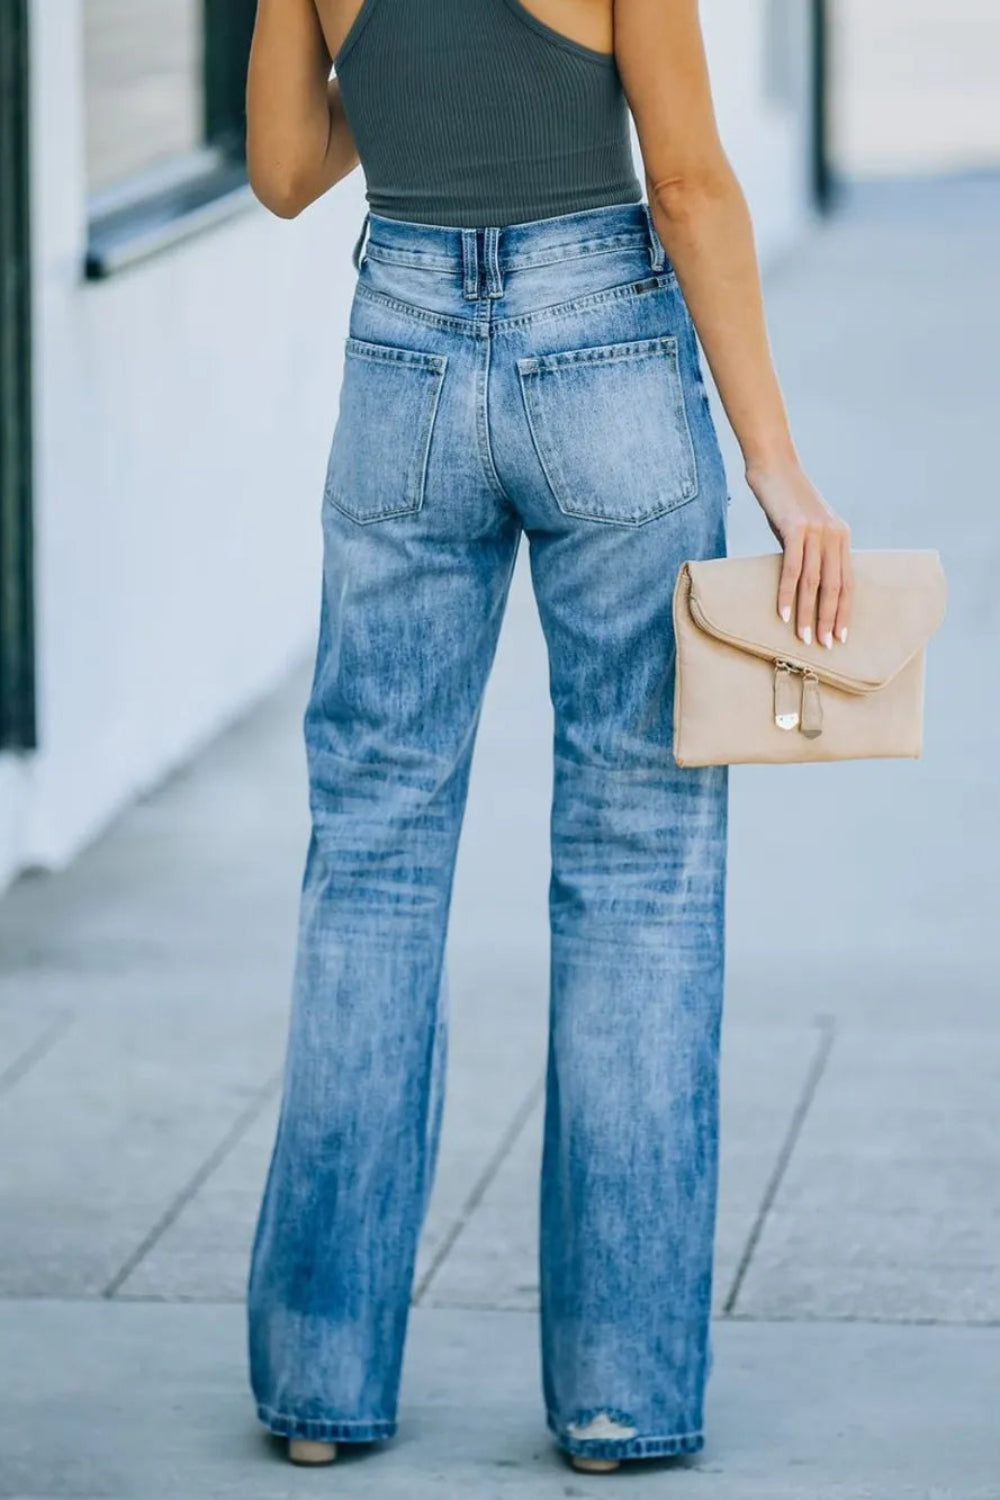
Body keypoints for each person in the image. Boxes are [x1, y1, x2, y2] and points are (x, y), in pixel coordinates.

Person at [243, 0, 853, 1476]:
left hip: (401, 357)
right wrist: (782, 470)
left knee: (373, 860)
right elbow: (691, 179)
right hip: (610, 365)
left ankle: (323, 1388)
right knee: (639, 869)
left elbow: (282, 166)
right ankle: (620, 1401)